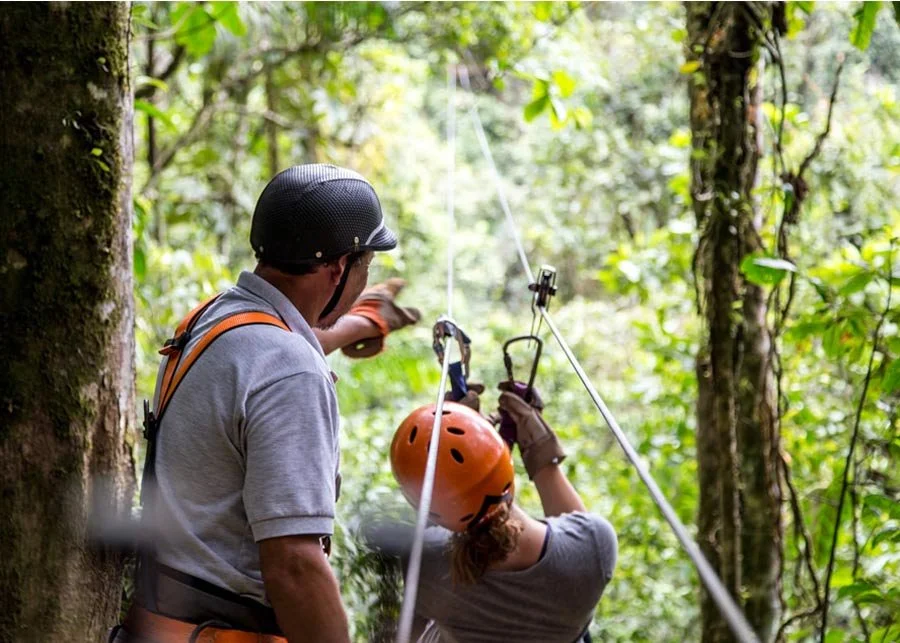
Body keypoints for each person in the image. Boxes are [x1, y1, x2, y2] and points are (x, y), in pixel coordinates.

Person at [114, 164, 420, 643]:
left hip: (159, 622)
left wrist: (360, 323)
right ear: (339, 268)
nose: (365, 279)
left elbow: (269, 354)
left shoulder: (213, 318)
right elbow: (294, 568)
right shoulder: (291, 371)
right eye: (367, 266)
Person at [381, 385, 617, 643]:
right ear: (505, 465)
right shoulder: (597, 545)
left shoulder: (425, 564)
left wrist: (450, 457)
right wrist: (539, 454)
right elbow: (576, 536)